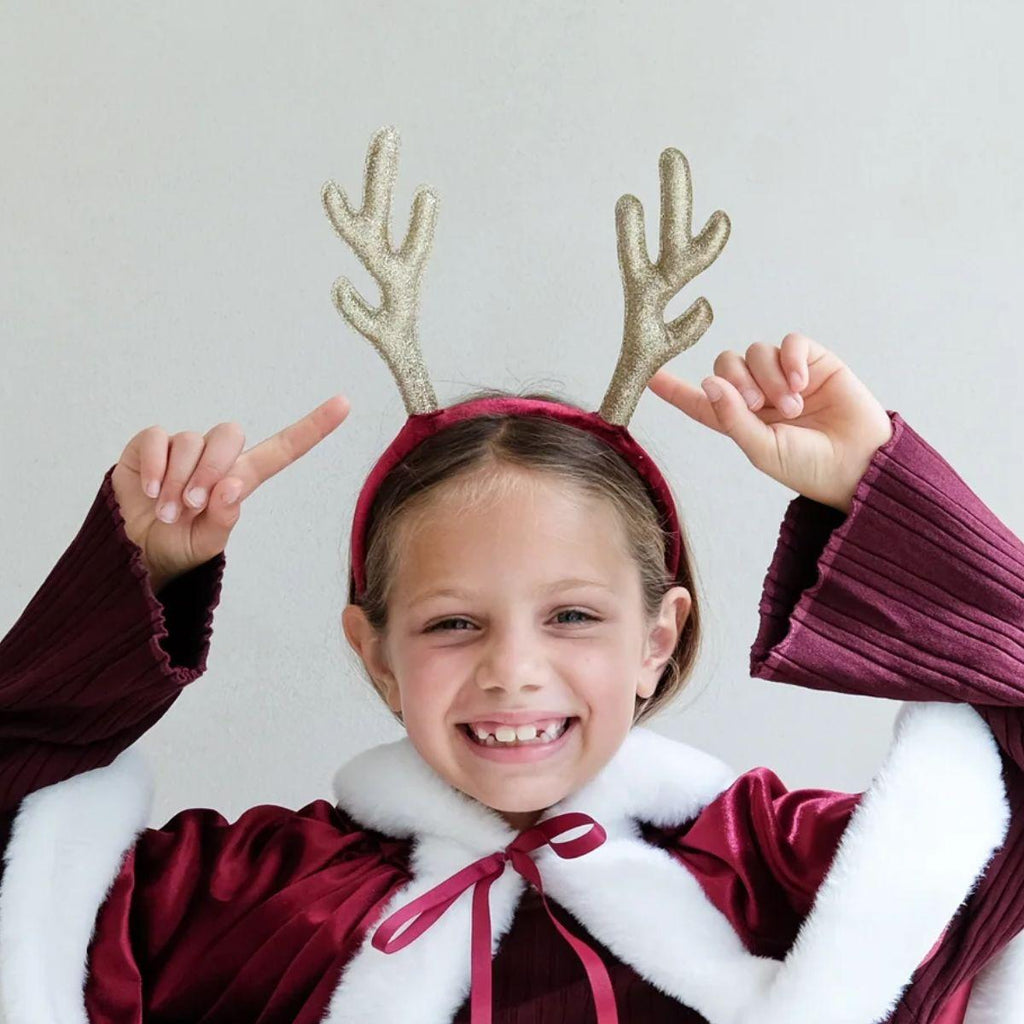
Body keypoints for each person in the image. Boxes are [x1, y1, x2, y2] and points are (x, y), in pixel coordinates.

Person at [1, 128, 1022, 1024]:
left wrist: (878, 488)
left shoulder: (791, 872)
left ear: (656, 637)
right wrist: (127, 586)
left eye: (572, 614)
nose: (512, 670)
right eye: (452, 624)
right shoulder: (247, 902)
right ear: (377, 651)